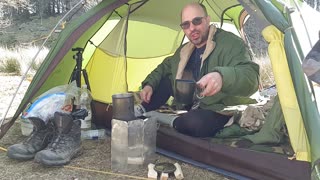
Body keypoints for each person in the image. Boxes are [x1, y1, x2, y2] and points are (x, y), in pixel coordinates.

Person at [135, 2, 260, 138]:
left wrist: (222, 77)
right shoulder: (184, 50)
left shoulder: (231, 43)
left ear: (207, 20)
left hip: (220, 108)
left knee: (195, 123)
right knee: (165, 81)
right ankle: (142, 110)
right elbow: (165, 67)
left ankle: (168, 120)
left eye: (197, 21)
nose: (192, 28)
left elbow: (251, 77)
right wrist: (149, 85)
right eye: (186, 25)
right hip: (193, 101)